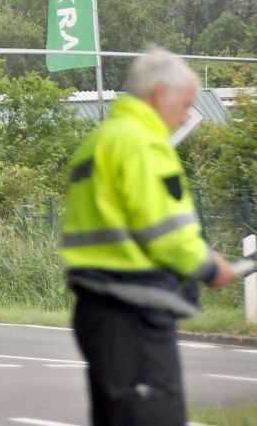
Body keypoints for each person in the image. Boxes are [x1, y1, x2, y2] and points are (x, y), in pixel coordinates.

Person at [60, 47, 239, 426]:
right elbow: (165, 232)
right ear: (160, 93)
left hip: (97, 309)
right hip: (135, 314)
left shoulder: (101, 141)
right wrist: (208, 266)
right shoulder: (143, 143)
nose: (187, 115)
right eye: (186, 103)